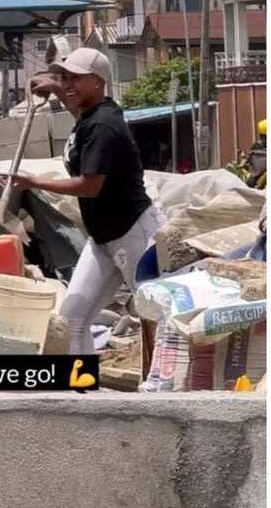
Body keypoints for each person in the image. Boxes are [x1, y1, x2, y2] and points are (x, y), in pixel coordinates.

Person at [9, 47, 165, 355]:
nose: (68, 84)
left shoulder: (104, 126)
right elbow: (79, 112)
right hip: (103, 236)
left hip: (131, 232)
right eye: (64, 77)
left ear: (97, 82)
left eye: (75, 79)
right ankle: (82, 396)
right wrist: (56, 89)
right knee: (71, 319)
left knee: (154, 316)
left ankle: (162, 390)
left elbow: (89, 186)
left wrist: (32, 182)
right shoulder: (91, 116)